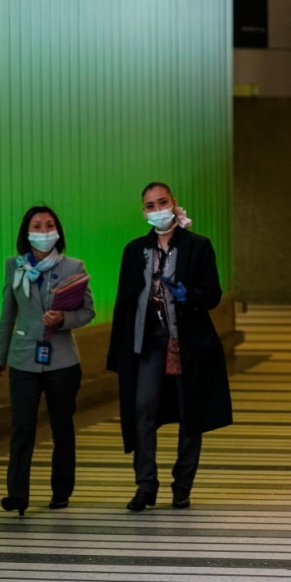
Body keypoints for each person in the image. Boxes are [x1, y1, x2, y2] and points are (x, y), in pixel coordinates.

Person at [106, 182, 233, 512]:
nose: (157, 209)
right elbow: (125, 303)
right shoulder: (135, 251)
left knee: (190, 411)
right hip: (148, 342)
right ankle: (146, 485)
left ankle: (183, 485)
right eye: (150, 205)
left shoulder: (197, 246)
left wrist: (187, 294)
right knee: (143, 409)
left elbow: (213, 294)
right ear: (144, 211)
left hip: (187, 342)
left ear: (174, 203)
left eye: (162, 202)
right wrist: (118, 352)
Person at [0, 206, 95, 516]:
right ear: (27, 232)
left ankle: (61, 491)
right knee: (22, 427)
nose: (44, 230)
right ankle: (17, 495)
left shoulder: (73, 266)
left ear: (58, 231)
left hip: (62, 360)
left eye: (50, 225)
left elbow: (88, 311)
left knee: (62, 426)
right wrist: (1, 353)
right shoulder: (15, 266)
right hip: (23, 357)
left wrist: (64, 318)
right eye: (37, 225)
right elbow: (7, 313)